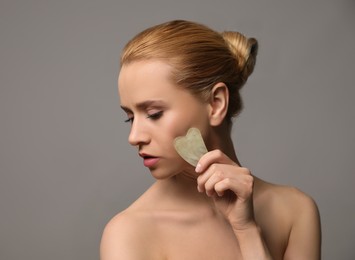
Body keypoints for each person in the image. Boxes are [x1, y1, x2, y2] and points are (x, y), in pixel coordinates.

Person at [100, 20, 321, 260]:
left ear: (216, 103)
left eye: (154, 114)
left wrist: (247, 230)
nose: (134, 137)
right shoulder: (129, 233)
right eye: (130, 118)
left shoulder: (294, 212)